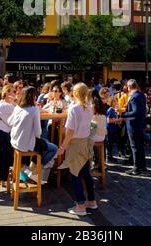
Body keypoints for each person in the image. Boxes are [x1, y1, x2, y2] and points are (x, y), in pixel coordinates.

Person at [58, 83, 96, 216]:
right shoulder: (89, 107)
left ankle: (80, 206)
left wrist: (62, 146)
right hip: (85, 143)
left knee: (75, 175)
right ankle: (91, 201)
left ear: (74, 93)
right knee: (85, 173)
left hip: (75, 145)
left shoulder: (74, 109)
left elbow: (70, 131)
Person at [9, 86, 58, 184]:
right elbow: (38, 132)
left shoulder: (18, 107)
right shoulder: (34, 110)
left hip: (14, 142)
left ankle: (30, 172)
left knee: (42, 143)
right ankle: (32, 172)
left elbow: (9, 122)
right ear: (33, 97)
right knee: (54, 148)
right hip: (25, 145)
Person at [121, 79, 147, 176]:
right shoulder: (141, 95)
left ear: (129, 87)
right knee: (140, 146)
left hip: (134, 125)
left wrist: (123, 114)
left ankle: (136, 168)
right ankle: (142, 166)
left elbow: (135, 112)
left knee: (134, 147)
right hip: (140, 124)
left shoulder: (134, 97)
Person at [106, 96, 122, 161]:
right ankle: (108, 157)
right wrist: (117, 120)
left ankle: (110, 156)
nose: (116, 102)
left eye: (116, 101)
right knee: (109, 143)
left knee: (112, 143)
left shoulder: (114, 110)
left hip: (113, 128)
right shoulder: (110, 110)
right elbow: (108, 120)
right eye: (114, 101)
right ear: (111, 102)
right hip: (110, 128)